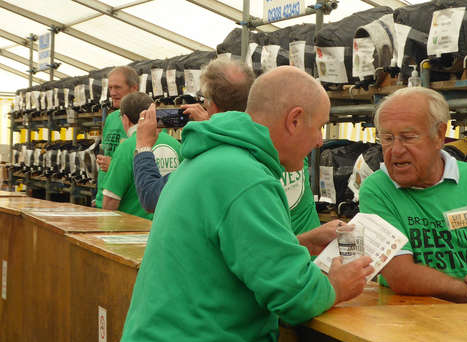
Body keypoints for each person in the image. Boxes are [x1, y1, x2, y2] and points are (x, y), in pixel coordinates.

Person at [109, 66, 374, 342]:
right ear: (294, 119)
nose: (320, 141)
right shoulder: (246, 177)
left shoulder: (211, 159)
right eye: (319, 127)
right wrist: (337, 285)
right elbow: (294, 297)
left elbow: (224, 256)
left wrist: (300, 242)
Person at [358, 87, 467, 306]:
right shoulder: (377, 189)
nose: (396, 150)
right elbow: (400, 274)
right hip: (408, 327)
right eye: (388, 138)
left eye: (408, 137)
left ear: (439, 135)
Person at [133, 58, 320, 235]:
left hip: (278, 261)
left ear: (211, 104)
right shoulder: (285, 141)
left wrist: (143, 146)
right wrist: (213, 128)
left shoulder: (215, 162)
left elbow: (151, 197)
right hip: (315, 255)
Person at [101, 92, 181, 220]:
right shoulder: (175, 144)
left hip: (132, 228)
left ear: (125, 119)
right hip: (165, 225)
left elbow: (111, 200)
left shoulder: (127, 147)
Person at [94, 66, 139, 208]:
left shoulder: (145, 119)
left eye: (118, 88)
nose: (112, 93)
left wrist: (113, 165)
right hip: (104, 199)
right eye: (110, 88)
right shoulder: (111, 118)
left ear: (134, 89)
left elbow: (152, 163)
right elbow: (106, 153)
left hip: (125, 204)